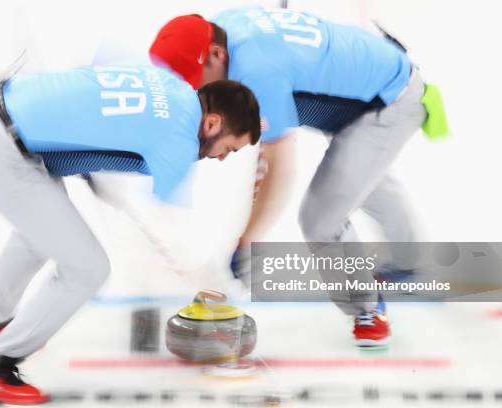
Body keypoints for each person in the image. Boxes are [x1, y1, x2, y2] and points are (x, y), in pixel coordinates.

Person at [0, 63, 261, 404]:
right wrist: (221, 295)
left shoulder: (172, 91)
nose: (222, 159)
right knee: (87, 268)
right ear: (213, 123)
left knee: (45, 232)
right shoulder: (179, 139)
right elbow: (173, 232)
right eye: (230, 149)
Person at [149, 7, 431, 347]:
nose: (200, 93)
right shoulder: (227, 28)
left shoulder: (256, 70)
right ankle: (409, 263)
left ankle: (367, 309)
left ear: (216, 54)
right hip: (378, 79)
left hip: (389, 102)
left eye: (197, 80)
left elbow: (279, 168)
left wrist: (248, 242)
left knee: (320, 216)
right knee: (365, 181)